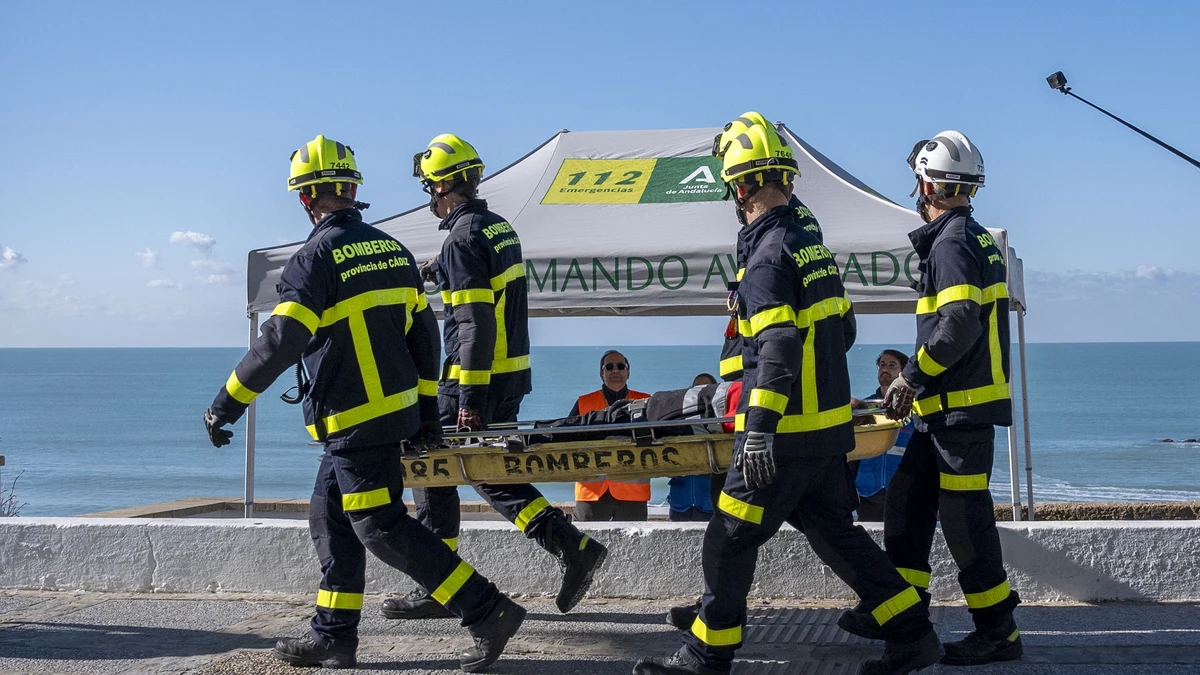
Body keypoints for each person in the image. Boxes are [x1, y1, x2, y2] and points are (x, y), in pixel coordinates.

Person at [202, 136, 523, 672]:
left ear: (305, 197)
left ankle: (487, 609)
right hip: (391, 415)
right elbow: (424, 337)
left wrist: (225, 404)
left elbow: (280, 341)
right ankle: (333, 635)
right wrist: (425, 413)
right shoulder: (393, 251)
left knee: (380, 525)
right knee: (329, 517)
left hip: (355, 418)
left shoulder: (314, 259)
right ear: (353, 190)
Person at [634, 114, 941, 675]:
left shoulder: (767, 258)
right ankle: (913, 633)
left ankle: (707, 656)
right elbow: (844, 332)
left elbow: (776, 350)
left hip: (783, 437)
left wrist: (758, 431)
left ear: (740, 188)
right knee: (836, 536)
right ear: (787, 178)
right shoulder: (810, 248)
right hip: (825, 433)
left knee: (728, 537)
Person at [383, 134, 607, 622]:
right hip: (508, 375)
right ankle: (569, 546)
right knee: (482, 472)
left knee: (433, 468)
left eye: (430, 188)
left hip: (474, 378)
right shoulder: (497, 228)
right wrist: (442, 270)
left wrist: (467, 397)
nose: (429, 198)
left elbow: (475, 323)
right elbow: (489, 294)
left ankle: (445, 582)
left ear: (442, 187)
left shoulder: (461, 240)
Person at [864, 131, 1022, 665]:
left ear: (928, 185)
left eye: (918, 182)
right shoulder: (972, 238)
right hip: (945, 414)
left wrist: (910, 378)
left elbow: (957, 324)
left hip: (959, 412)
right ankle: (902, 613)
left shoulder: (952, 243)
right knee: (907, 505)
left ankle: (998, 631)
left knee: (965, 523)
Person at [572, 350, 652, 521]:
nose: (615, 370)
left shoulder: (646, 401)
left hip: (633, 491)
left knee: (634, 540)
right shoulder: (583, 402)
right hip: (591, 492)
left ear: (628, 372)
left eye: (621, 366)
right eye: (609, 367)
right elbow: (566, 439)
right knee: (585, 538)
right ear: (601, 373)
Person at [848, 349, 915, 521]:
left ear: (903, 373)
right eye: (882, 365)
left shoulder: (913, 410)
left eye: (892, 366)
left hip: (903, 491)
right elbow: (854, 451)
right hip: (867, 493)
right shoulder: (865, 407)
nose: (885, 369)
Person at [667, 373, 720, 522]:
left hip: (709, 503)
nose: (701, 391)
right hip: (679, 502)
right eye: (696, 388)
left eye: (706, 387)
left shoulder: (720, 420)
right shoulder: (679, 419)